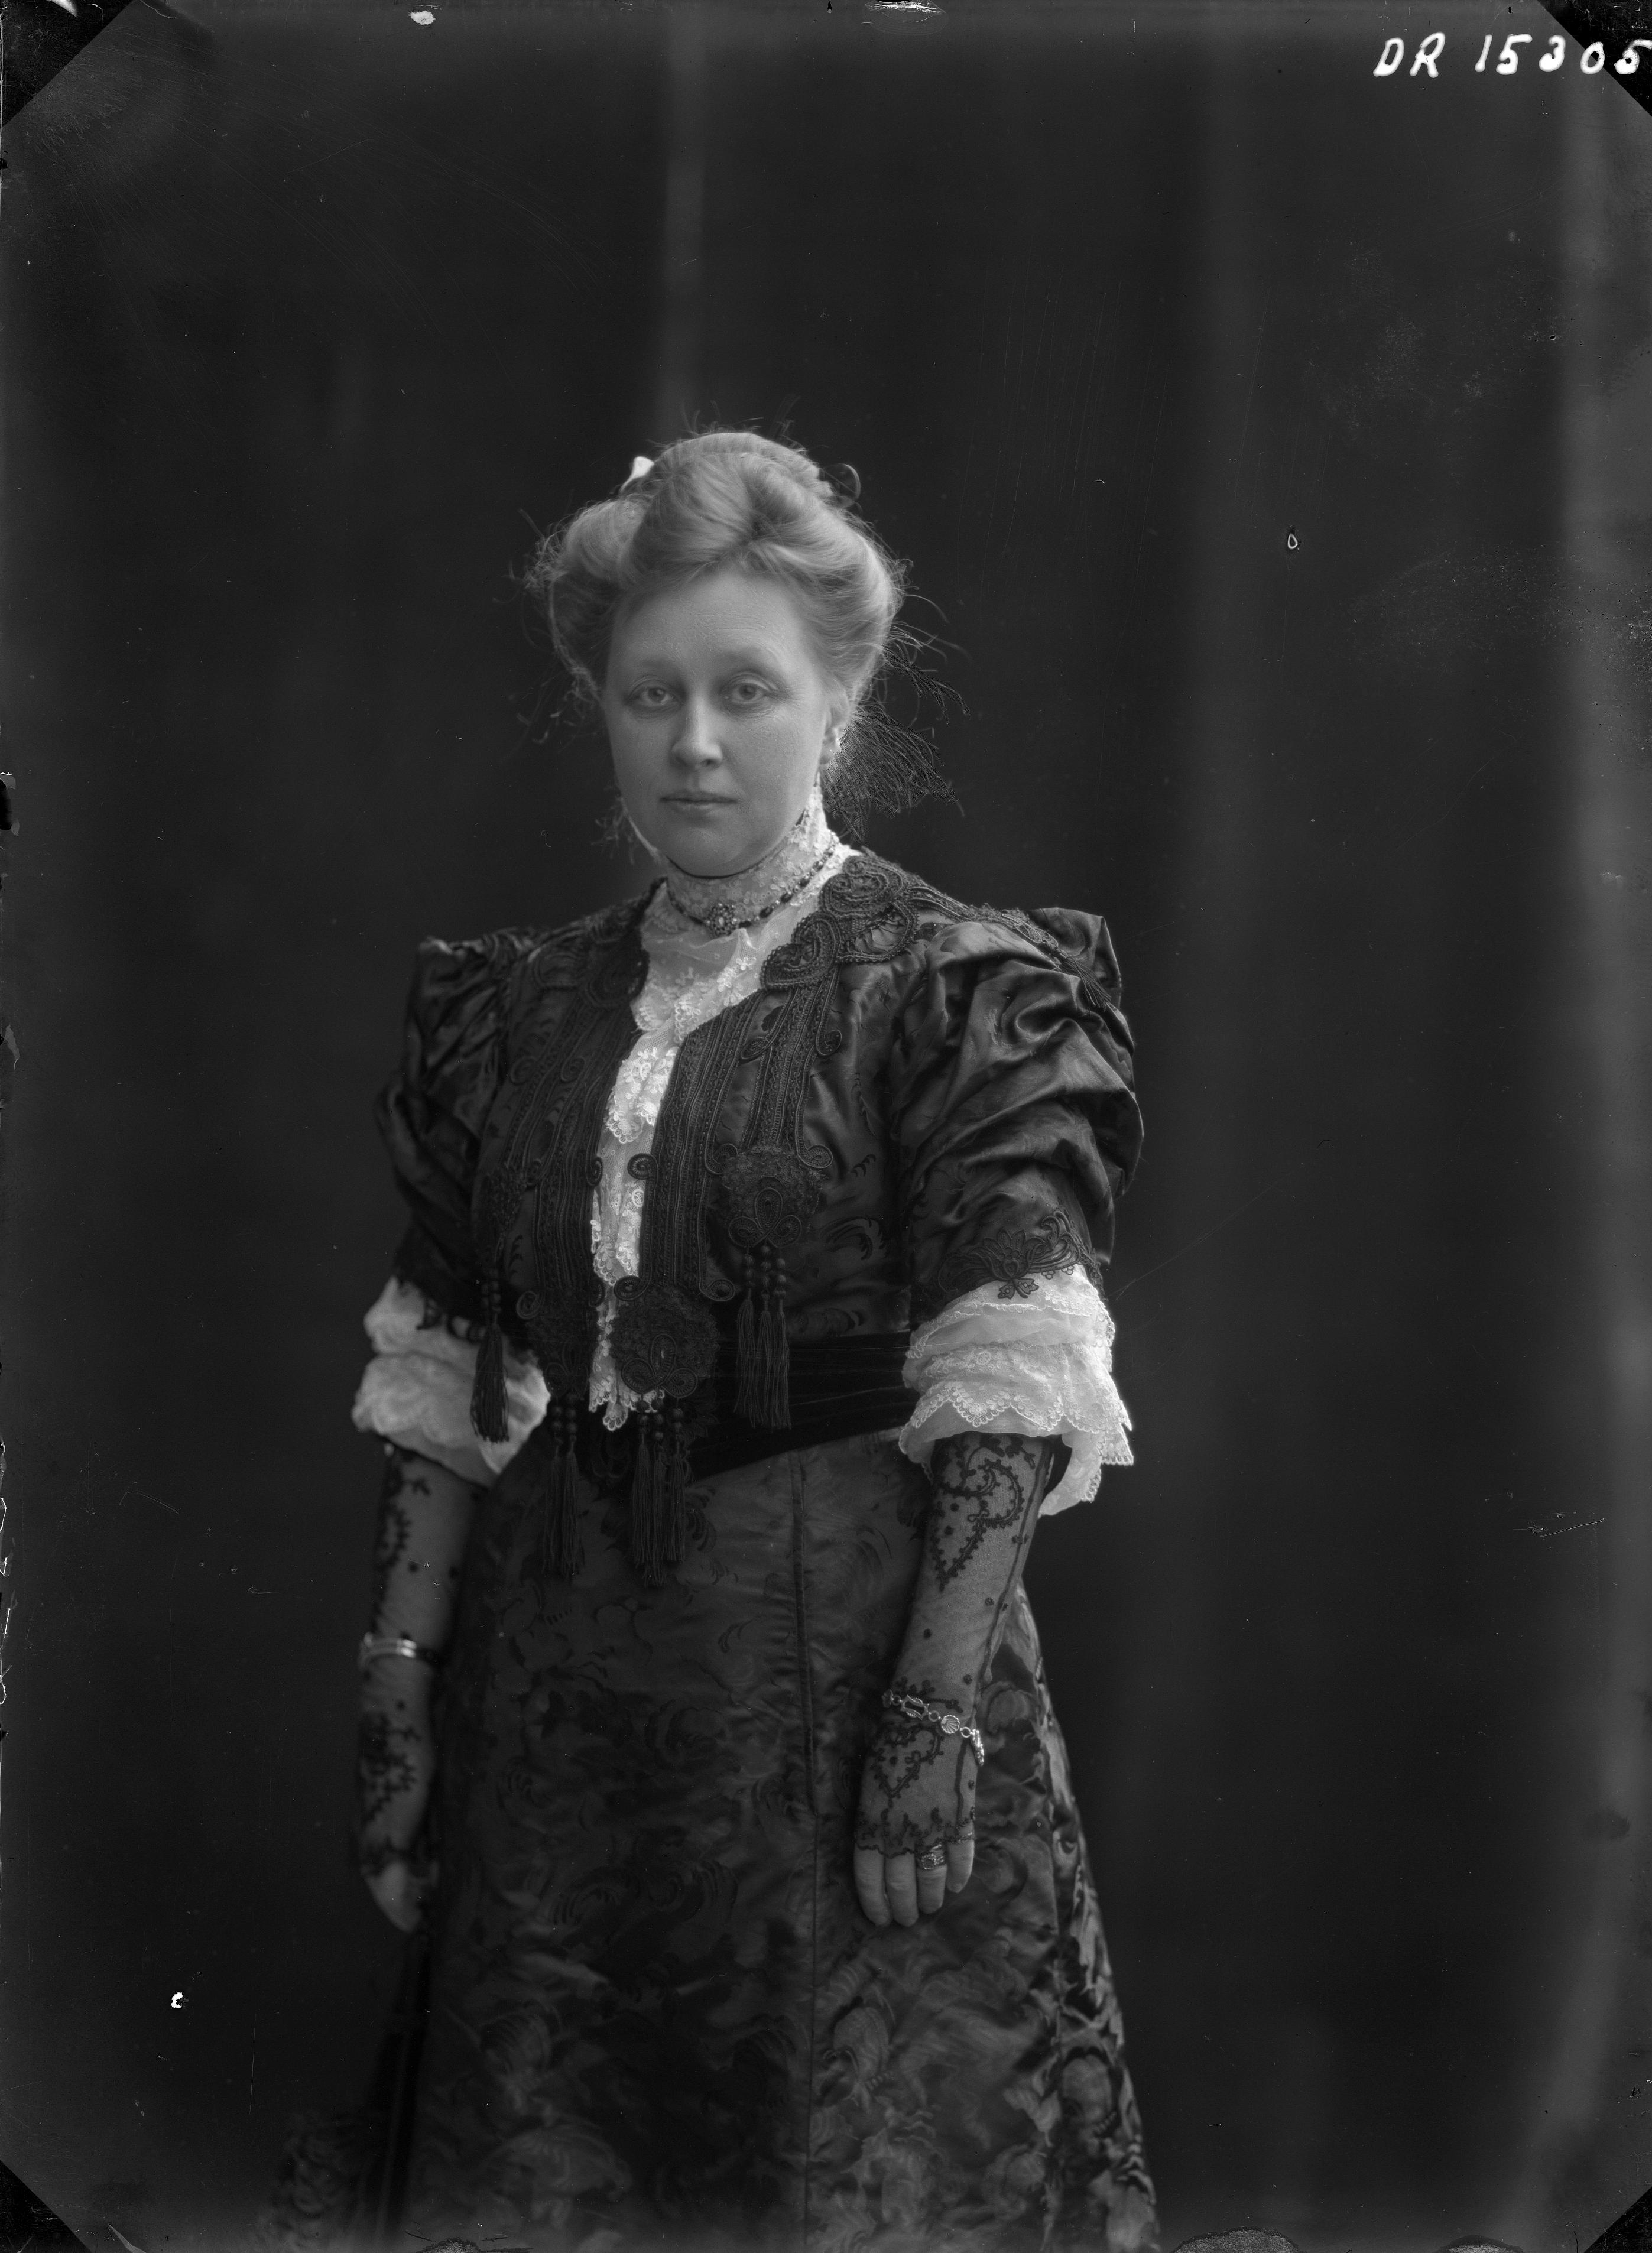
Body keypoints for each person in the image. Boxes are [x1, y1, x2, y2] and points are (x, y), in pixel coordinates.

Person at [273, 430, 1155, 2253]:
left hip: (843, 1683)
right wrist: (400, 1686)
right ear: (597, 706)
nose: (691, 741)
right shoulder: (513, 1006)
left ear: (836, 699)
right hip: (560, 1707)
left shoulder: (951, 985)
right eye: (648, 693)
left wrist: (929, 1713)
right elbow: (446, 1372)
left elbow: (1007, 1364)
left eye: (744, 692)